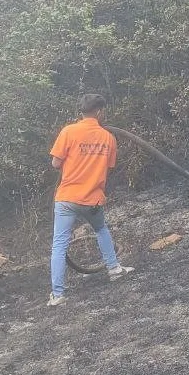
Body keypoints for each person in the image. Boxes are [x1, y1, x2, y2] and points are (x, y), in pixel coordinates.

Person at [47, 94, 134, 307]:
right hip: (92, 198)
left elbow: (55, 163)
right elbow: (109, 167)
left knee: (59, 244)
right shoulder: (108, 138)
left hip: (67, 198)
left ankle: (57, 295)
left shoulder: (68, 132)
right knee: (101, 230)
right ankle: (114, 269)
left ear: (81, 111)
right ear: (100, 111)